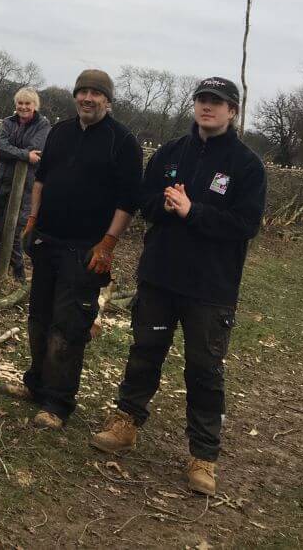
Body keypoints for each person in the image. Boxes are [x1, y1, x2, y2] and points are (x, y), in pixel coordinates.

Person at [90, 77, 266, 497]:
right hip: (160, 276)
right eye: (202, 100)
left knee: (204, 369)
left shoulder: (246, 165)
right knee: (144, 351)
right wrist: (166, 207)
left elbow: (245, 225)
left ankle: (203, 454)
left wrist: (194, 211)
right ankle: (126, 422)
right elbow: (142, 200)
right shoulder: (170, 153)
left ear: (233, 111)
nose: (208, 107)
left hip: (211, 287)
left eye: (217, 102)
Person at [0, 69, 142, 428]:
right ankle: (36, 384)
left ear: (107, 101)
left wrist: (108, 243)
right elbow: (41, 180)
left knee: (69, 324)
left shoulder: (122, 142)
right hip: (48, 239)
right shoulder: (60, 132)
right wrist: (33, 220)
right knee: (39, 317)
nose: (88, 99)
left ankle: (58, 403)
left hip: (86, 249)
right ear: (75, 96)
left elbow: (128, 201)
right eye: (83, 92)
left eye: (96, 93)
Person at [0, 87, 51, 281]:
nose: (23, 107)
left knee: (15, 230)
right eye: (20, 103)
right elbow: (1, 146)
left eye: (27, 103)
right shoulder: (8, 122)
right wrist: (24, 155)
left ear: (35, 106)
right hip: (2, 182)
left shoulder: (43, 126)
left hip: (25, 187)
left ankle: (19, 275)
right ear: (16, 105)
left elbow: (37, 150)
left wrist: (14, 152)